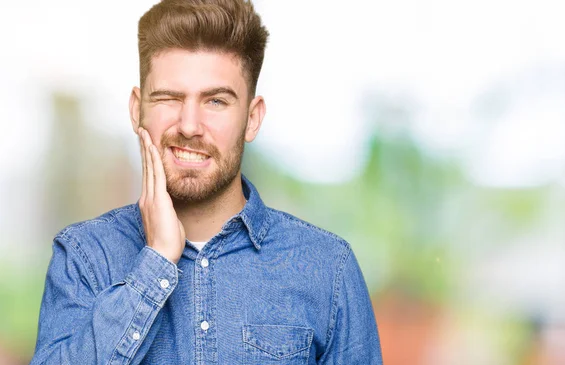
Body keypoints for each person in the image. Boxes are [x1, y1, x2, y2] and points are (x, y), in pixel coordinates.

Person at [31, 0, 382, 364]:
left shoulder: (326, 268)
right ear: (137, 110)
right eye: (169, 97)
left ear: (252, 118)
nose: (189, 125)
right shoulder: (85, 257)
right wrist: (155, 262)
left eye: (215, 101)